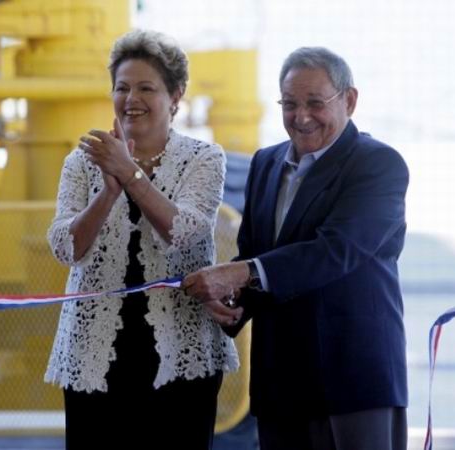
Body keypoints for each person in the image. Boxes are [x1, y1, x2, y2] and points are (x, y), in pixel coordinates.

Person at [183, 46, 409, 450]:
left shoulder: (378, 164)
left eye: (315, 103)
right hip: (279, 384)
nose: (301, 116)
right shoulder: (265, 163)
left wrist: (240, 274)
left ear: (349, 100)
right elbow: (254, 250)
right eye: (289, 104)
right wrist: (234, 303)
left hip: (352, 382)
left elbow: (336, 251)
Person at [44, 29, 239, 450]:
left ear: (176, 96)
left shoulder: (204, 159)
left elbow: (185, 233)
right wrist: (108, 192)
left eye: (146, 88)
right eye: (122, 87)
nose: (131, 98)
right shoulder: (82, 161)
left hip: (180, 349)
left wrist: (129, 175)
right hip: (94, 351)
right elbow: (65, 248)